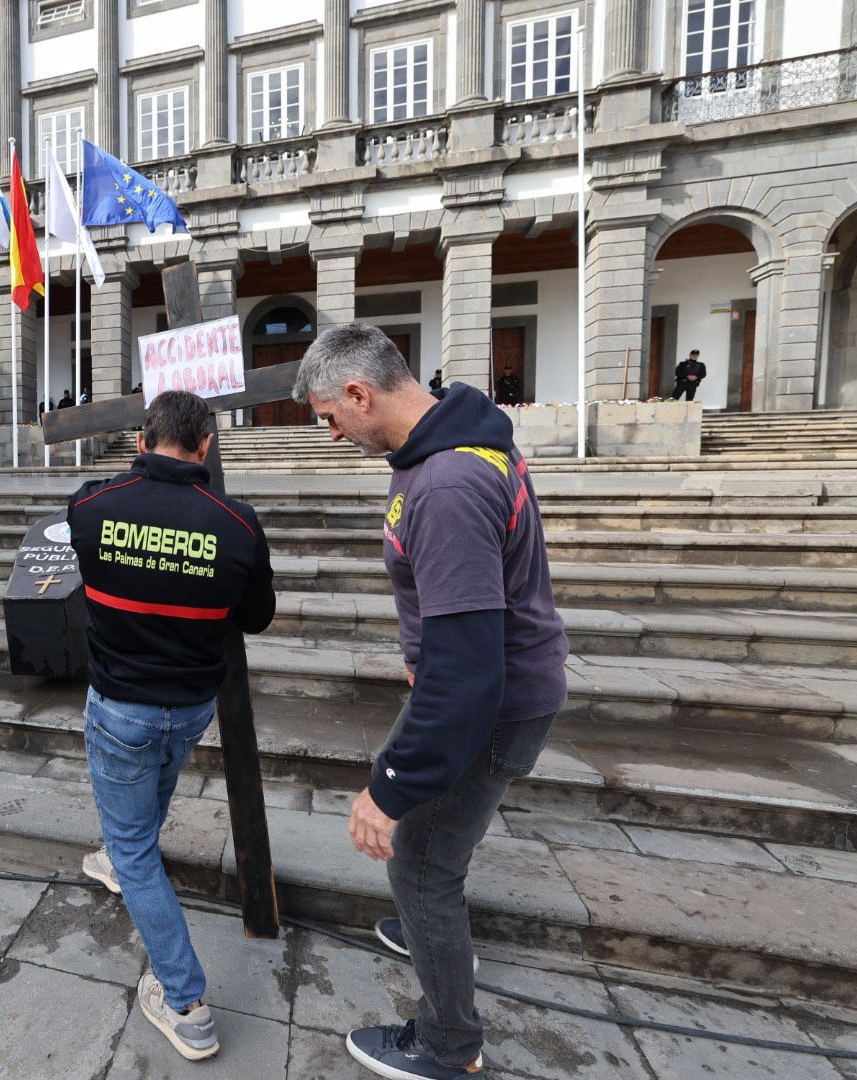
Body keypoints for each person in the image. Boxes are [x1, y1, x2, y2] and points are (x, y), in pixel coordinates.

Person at [292, 324, 568, 1080]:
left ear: (359, 393)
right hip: (489, 684)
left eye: (329, 417)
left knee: (418, 860)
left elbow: (468, 675)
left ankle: (449, 1044)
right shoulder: (453, 442)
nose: (331, 433)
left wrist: (387, 790)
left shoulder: (446, 483)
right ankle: (427, 923)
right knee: (432, 851)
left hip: (489, 700)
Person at [67, 389, 276, 1063]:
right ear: (207, 447)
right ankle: (121, 857)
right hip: (188, 710)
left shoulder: (92, 507)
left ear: (139, 441)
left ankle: (186, 1004)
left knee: (133, 845)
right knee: (138, 815)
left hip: (120, 706)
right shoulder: (237, 525)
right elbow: (257, 616)